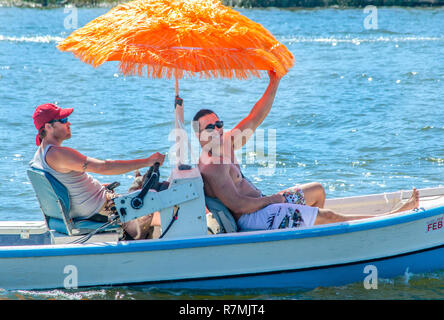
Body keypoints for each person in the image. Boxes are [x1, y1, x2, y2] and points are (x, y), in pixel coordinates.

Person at [192, 71, 420, 231]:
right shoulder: (212, 165)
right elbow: (239, 206)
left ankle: (307, 236)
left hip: (264, 204)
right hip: (253, 218)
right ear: (198, 134)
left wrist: (274, 81)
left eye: (219, 123)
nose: (218, 129)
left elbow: (255, 117)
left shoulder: (226, 144)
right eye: (210, 127)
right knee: (326, 216)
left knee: (317, 191)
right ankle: (392, 216)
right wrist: (275, 199)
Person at [29, 103, 165, 240]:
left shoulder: (40, 155)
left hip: (94, 205)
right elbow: (103, 167)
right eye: (63, 120)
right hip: (102, 210)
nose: (68, 123)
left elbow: (67, 185)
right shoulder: (58, 154)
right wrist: (148, 161)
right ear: (48, 127)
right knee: (159, 204)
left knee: (142, 186)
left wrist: (97, 187)